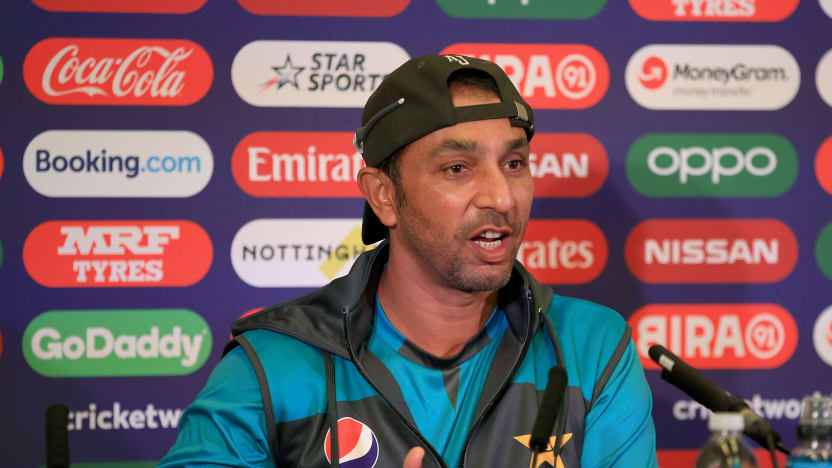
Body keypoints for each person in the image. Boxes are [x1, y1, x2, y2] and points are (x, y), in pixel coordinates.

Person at [158, 54, 658, 468]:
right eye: (457, 168)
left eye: (515, 163)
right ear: (383, 195)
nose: (502, 197)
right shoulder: (274, 363)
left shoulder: (591, 347)